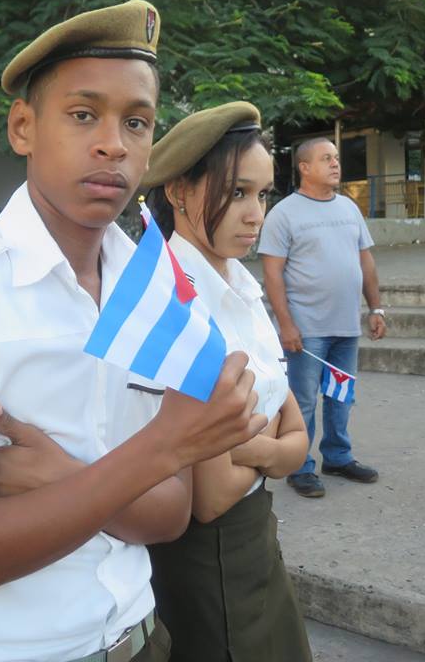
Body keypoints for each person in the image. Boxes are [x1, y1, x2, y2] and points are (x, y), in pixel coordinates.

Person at [0, 0, 264, 662]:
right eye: (84, 114)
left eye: (137, 122)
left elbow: (170, 515)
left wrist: (59, 475)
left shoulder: (153, 287)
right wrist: (162, 450)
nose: (114, 144)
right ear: (24, 127)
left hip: (142, 638)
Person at [140, 102, 312, 661]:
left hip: (259, 536)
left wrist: (247, 446)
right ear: (179, 192)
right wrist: (277, 451)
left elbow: (300, 437)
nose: (255, 213)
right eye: (237, 192)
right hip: (207, 557)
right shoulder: (174, 301)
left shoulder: (242, 282)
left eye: (262, 195)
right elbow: (209, 497)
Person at [258, 137, 385, 498]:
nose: (335, 164)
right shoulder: (284, 214)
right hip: (307, 328)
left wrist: (375, 307)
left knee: (341, 396)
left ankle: (338, 456)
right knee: (304, 399)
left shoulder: (348, 208)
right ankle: (299, 466)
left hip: (346, 325)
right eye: (326, 158)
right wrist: (285, 324)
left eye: (336, 158)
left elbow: (366, 261)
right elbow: (272, 274)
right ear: (304, 168)